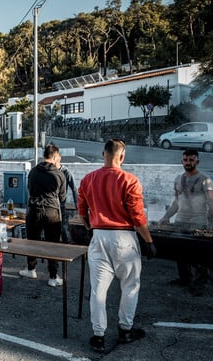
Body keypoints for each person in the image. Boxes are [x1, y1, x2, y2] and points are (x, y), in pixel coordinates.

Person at [77, 139, 156, 353]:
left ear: (103, 154)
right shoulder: (130, 180)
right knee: (130, 286)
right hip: (124, 238)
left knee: (98, 291)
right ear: (122, 156)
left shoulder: (88, 179)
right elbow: (137, 216)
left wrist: (89, 228)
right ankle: (125, 330)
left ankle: (98, 336)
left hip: (98, 237)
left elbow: (81, 210)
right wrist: (148, 241)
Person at [157, 149, 213, 296]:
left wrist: (211, 223)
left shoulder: (205, 179)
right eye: (186, 160)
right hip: (181, 220)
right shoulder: (178, 179)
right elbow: (176, 202)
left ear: (197, 161)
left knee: (200, 254)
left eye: (191, 160)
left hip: (199, 222)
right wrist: (165, 217)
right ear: (182, 162)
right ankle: (185, 279)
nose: (188, 163)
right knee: (180, 250)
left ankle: (200, 283)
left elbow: (211, 203)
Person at [18, 144, 67, 287]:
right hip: (52, 212)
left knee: (32, 241)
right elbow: (62, 197)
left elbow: (29, 189)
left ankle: (31, 269)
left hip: (33, 210)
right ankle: (53, 276)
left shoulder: (33, 171)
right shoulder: (59, 174)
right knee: (53, 244)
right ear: (55, 156)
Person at [59, 163, 78, 244]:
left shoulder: (66, 172)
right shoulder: (50, 171)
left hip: (61, 204)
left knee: (63, 227)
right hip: (50, 205)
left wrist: (77, 205)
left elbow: (74, 189)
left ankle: (65, 245)